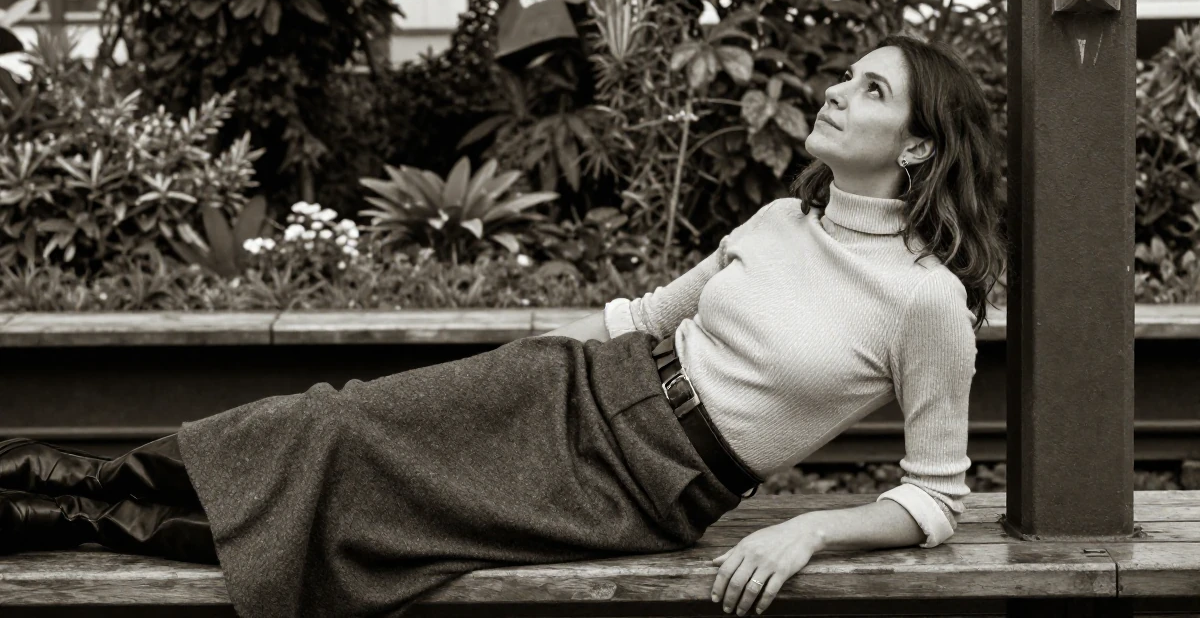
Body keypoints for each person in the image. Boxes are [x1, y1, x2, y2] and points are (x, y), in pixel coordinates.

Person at [0, 33, 1006, 618]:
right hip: (584, 383)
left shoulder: (926, 302)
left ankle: (68, 512)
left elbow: (935, 496)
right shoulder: (782, 219)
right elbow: (645, 315)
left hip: (643, 482)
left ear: (916, 149)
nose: (836, 89)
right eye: (850, 74)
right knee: (334, 416)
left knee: (364, 510)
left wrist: (810, 530)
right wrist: (512, 365)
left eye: (871, 90)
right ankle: (54, 493)